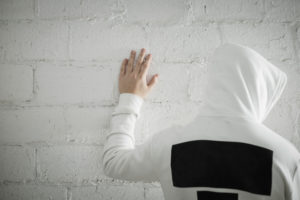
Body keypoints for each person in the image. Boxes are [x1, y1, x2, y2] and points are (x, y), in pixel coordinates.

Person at [101, 43, 300, 200]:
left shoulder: (168, 144)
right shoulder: (286, 157)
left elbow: (114, 163)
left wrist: (130, 98)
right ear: (261, 90)